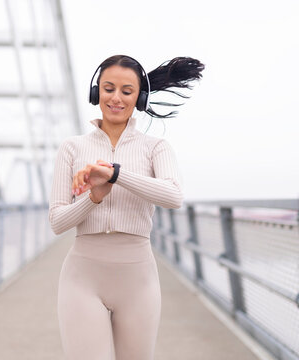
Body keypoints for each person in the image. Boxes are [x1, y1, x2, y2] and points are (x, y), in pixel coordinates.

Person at [49, 54, 204, 360]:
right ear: (96, 93)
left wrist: (115, 174)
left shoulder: (155, 148)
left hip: (138, 282)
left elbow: (173, 196)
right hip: (82, 277)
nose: (116, 98)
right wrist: (94, 196)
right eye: (108, 88)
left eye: (126, 91)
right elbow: (57, 221)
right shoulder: (72, 148)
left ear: (140, 98)